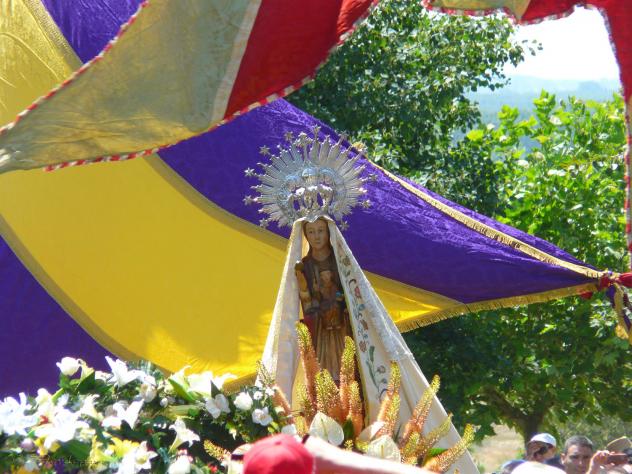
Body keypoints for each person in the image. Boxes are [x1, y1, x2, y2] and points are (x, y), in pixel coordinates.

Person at [295, 218, 352, 382]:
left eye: (321, 230)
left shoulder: (340, 259)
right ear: (306, 235)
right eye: (311, 232)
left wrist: (340, 303)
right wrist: (303, 288)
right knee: (323, 369)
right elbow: (306, 304)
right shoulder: (305, 265)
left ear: (329, 232)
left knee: (347, 365)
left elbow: (351, 290)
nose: (316, 236)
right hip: (320, 326)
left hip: (343, 323)